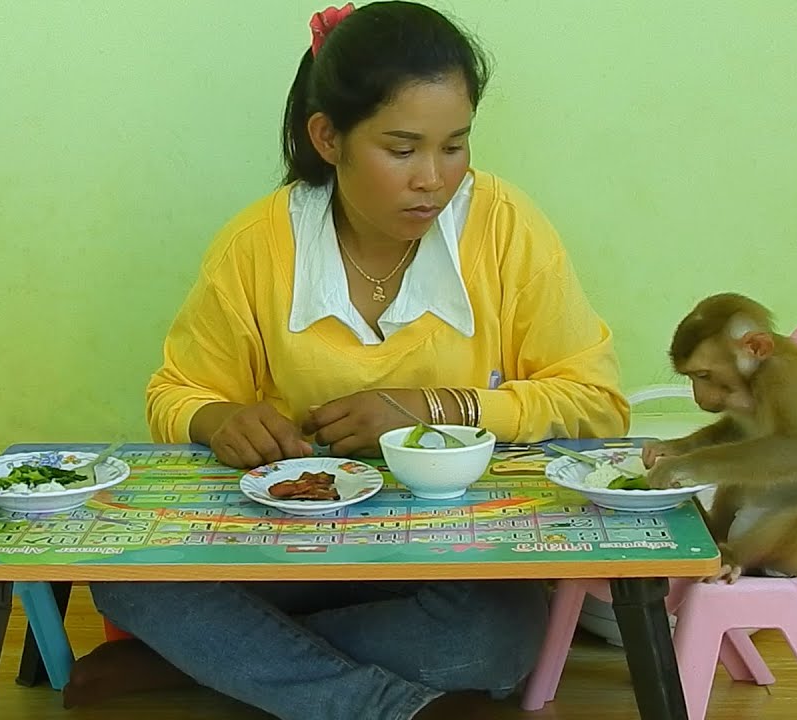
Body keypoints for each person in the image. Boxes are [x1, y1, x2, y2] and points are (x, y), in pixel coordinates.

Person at [63, 2, 629, 718]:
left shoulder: (504, 227)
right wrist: (219, 418)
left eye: (455, 146)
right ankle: (379, 705)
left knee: (497, 639)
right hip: (288, 546)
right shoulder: (258, 246)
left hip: (447, 553)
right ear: (328, 137)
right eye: (402, 149)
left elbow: (597, 403)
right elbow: (176, 392)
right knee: (127, 580)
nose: (434, 178)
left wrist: (436, 407)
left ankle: (207, 663)